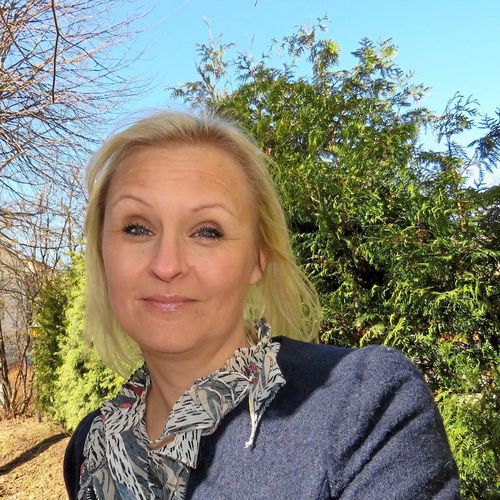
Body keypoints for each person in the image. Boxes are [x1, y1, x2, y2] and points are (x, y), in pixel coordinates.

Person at [64, 111, 460, 499]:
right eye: (137, 228)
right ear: (102, 252)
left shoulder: (362, 405)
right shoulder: (91, 445)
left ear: (257, 258)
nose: (166, 265)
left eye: (207, 231)